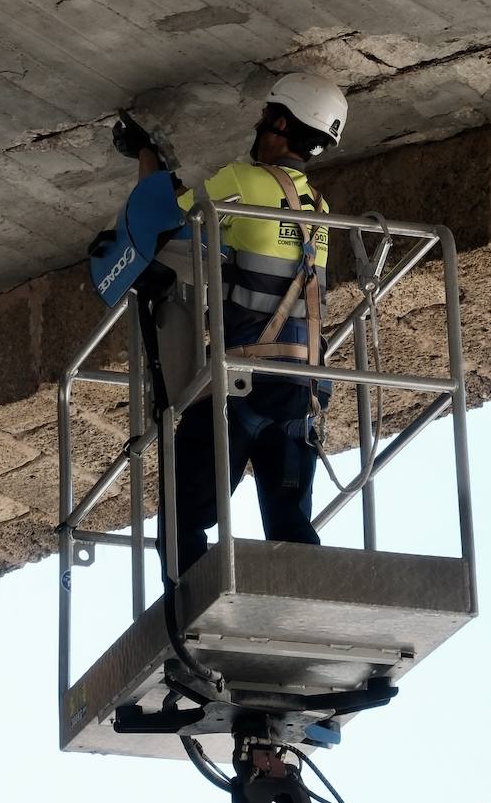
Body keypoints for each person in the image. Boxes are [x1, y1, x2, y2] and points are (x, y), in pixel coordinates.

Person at [111, 73, 348, 578]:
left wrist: (146, 155)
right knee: (289, 525)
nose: (259, 123)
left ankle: (191, 622)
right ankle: (303, 612)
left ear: (281, 123)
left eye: (267, 115)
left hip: (248, 384)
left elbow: (166, 221)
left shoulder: (245, 180)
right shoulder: (319, 209)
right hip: (302, 389)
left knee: (184, 514)